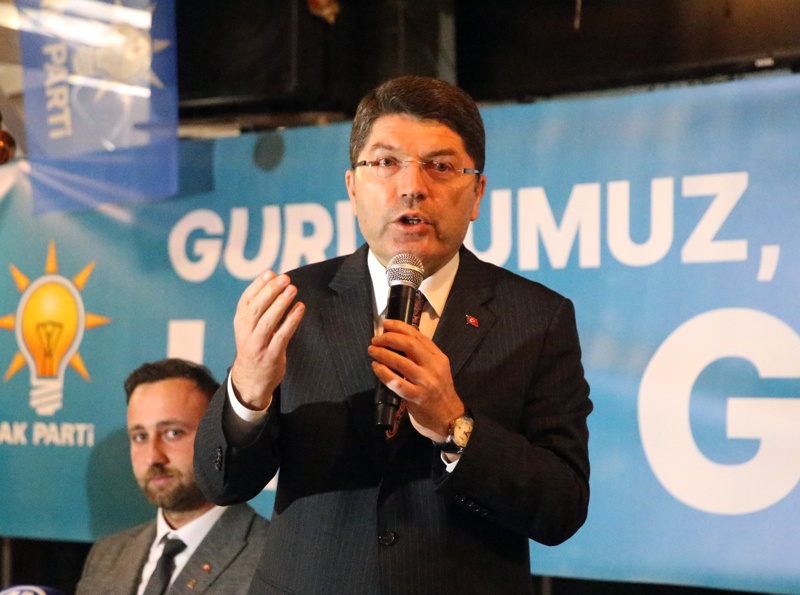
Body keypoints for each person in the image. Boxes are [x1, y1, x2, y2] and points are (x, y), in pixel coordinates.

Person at [194, 76, 592, 595]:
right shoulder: (293, 302)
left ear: (477, 193)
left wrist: (455, 426)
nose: (412, 186)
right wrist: (248, 392)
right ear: (352, 186)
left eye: (441, 166)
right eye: (385, 162)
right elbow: (221, 483)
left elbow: (562, 508)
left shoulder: (537, 318)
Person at [76, 359, 269, 595]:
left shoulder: (272, 557)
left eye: (173, 433)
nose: (153, 457)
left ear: (218, 436)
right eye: (140, 436)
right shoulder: (107, 554)